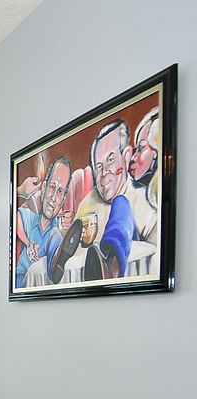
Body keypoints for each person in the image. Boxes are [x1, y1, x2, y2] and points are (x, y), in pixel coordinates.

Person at [75, 119, 158, 247]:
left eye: (110, 160)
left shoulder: (144, 201)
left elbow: (159, 251)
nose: (104, 172)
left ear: (126, 156)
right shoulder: (87, 204)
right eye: (98, 167)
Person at [14, 156, 71, 288]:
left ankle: (53, 264)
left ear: (63, 199)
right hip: (21, 282)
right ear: (44, 187)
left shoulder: (58, 228)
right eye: (52, 187)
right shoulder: (32, 218)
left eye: (60, 191)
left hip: (45, 284)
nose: (53, 197)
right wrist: (28, 243)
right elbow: (16, 219)